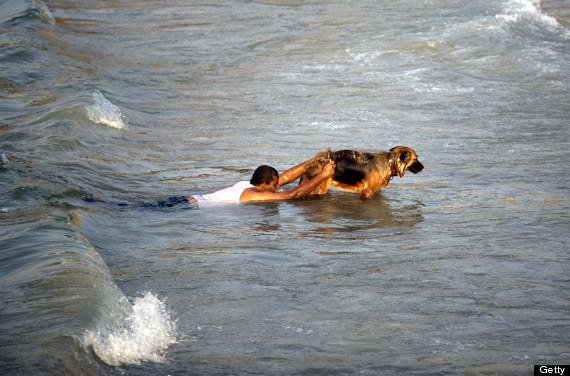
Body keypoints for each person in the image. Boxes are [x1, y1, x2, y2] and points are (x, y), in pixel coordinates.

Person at [189, 151, 335, 207]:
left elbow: (285, 177)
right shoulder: (252, 194)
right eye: (274, 185)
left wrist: (313, 161)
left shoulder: (246, 183)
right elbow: (293, 194)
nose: (277, 186)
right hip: (188, 207)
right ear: (264, 185)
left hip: (190, 199)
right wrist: (324, 175)